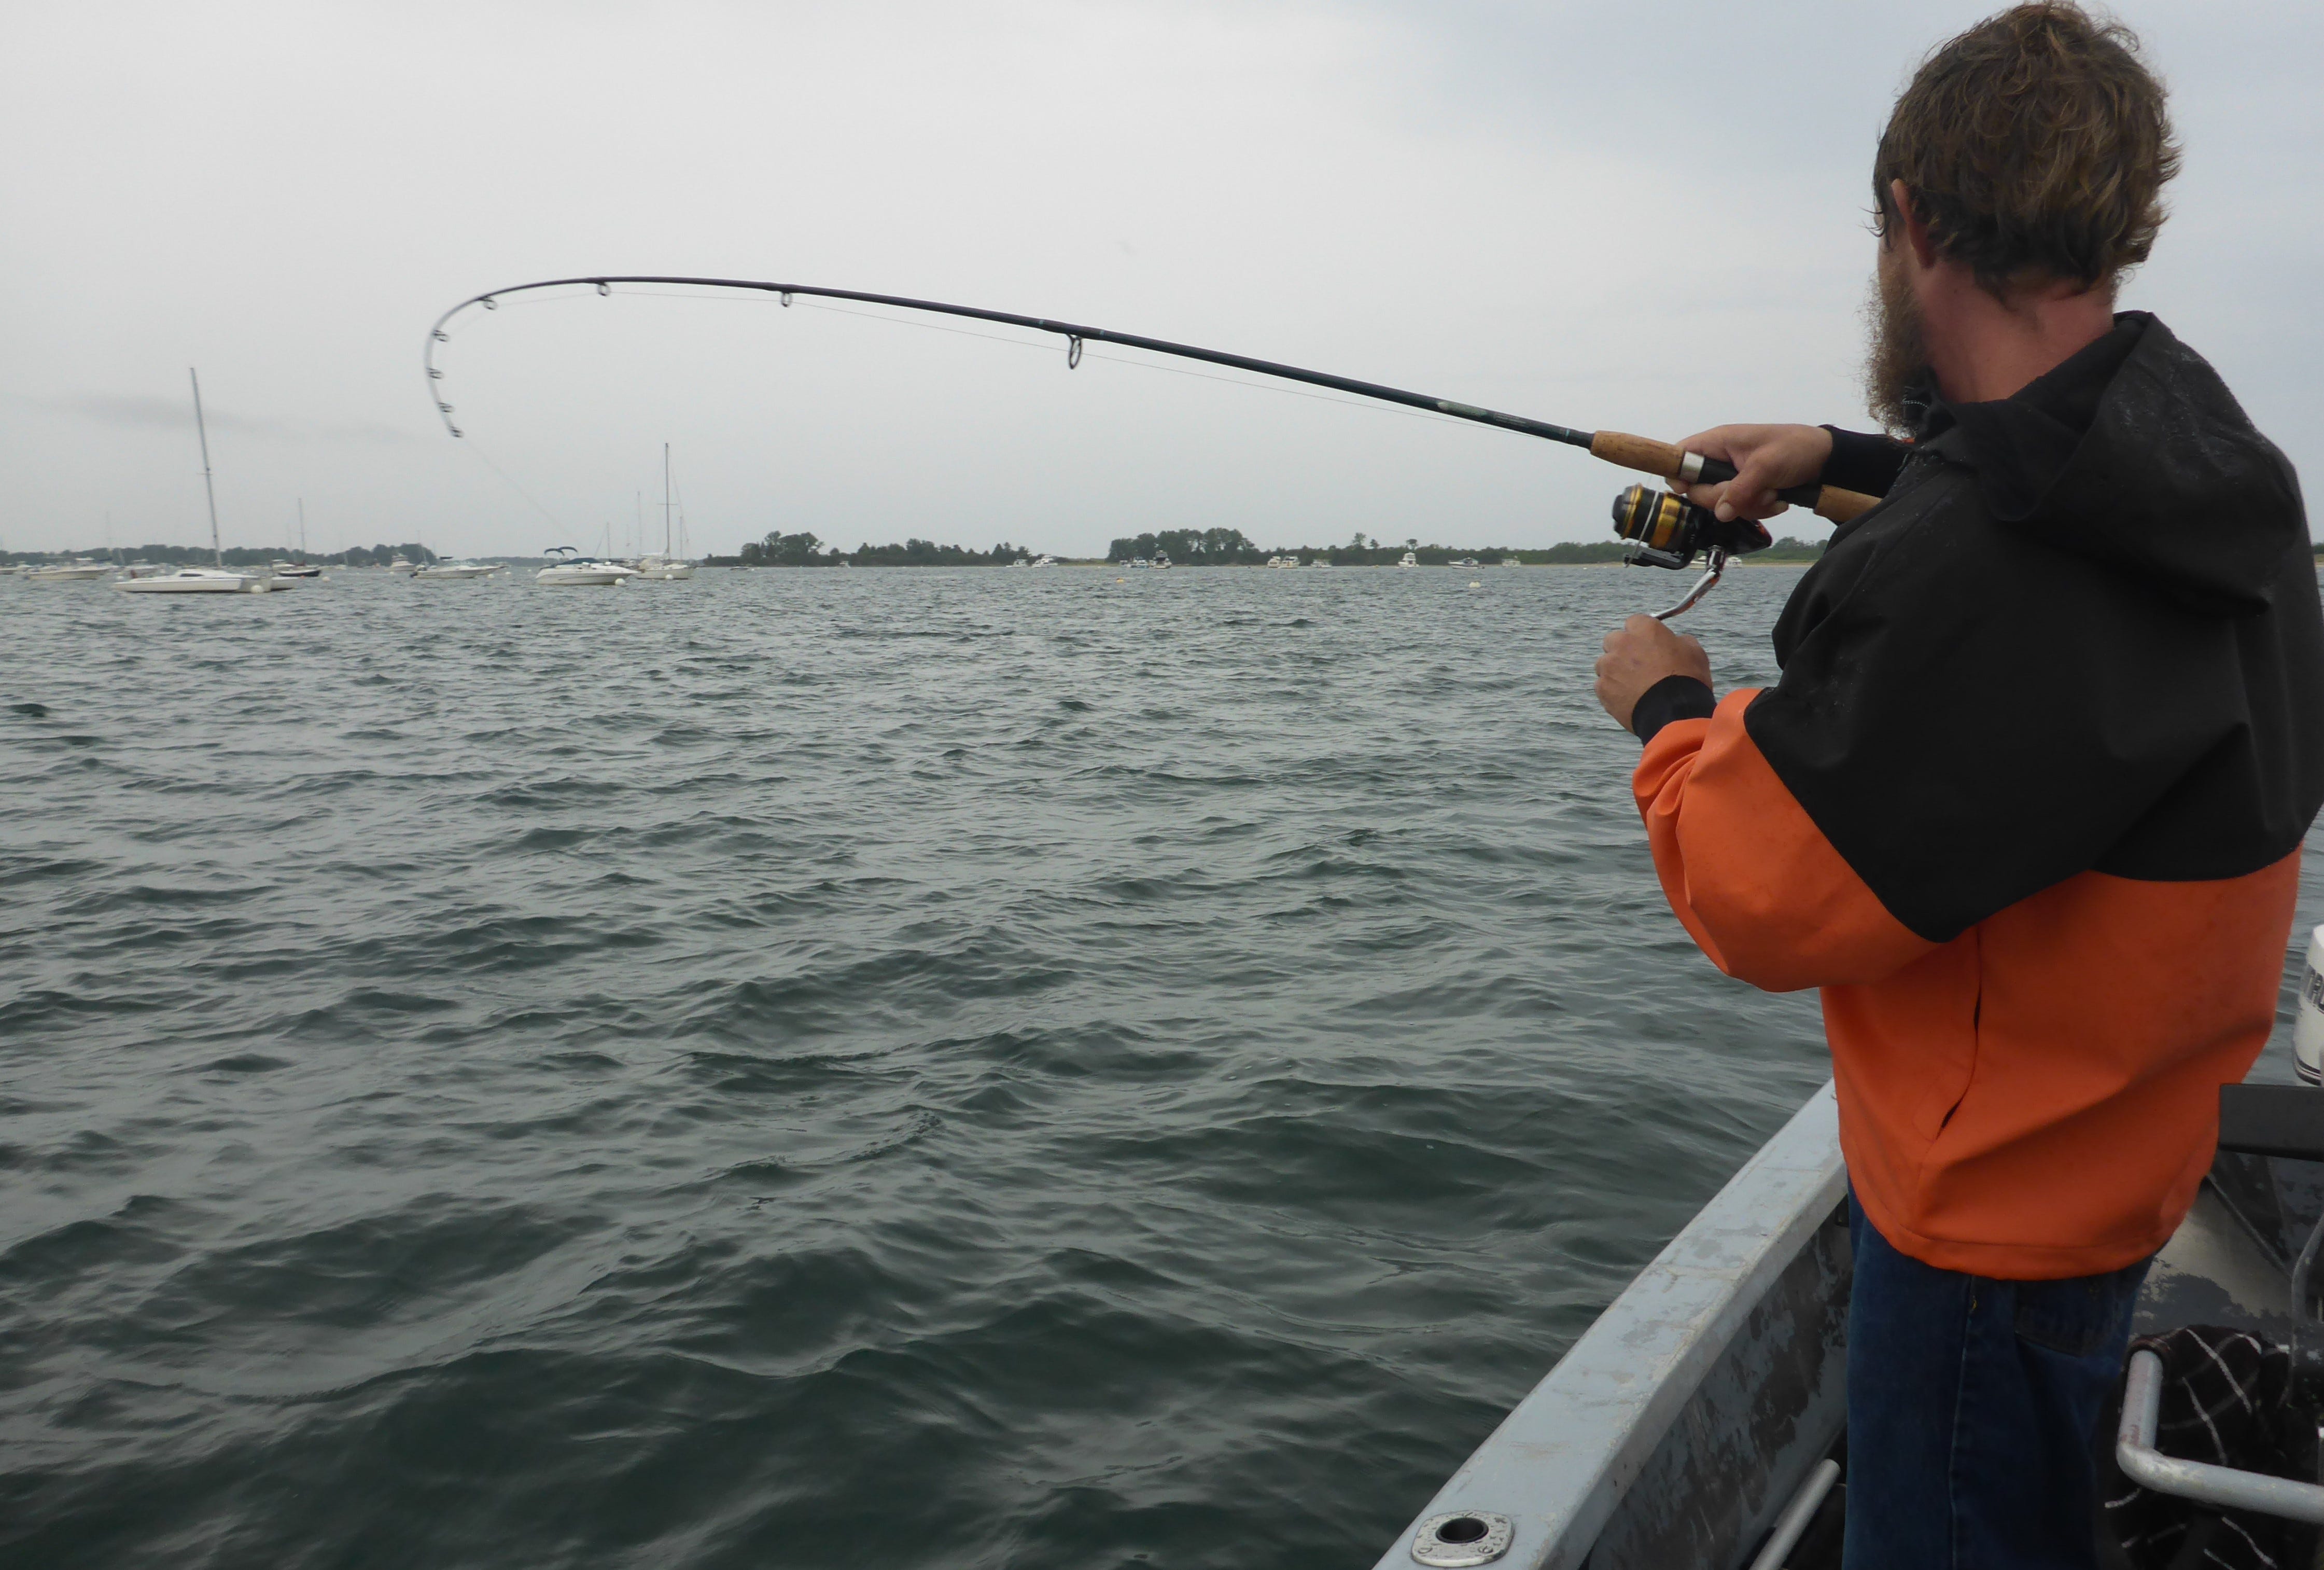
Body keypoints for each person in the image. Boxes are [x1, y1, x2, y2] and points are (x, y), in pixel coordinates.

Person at [1589, 5, 2324, 1566]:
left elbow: (1761, 895)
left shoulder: (1977, 573)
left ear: (1910, 219)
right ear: (2118, 220)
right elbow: (2046, 509)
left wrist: (1663, 703)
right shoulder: (2225, 482)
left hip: (1980, 1247)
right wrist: (1843, 458)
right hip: (2120, 1169)